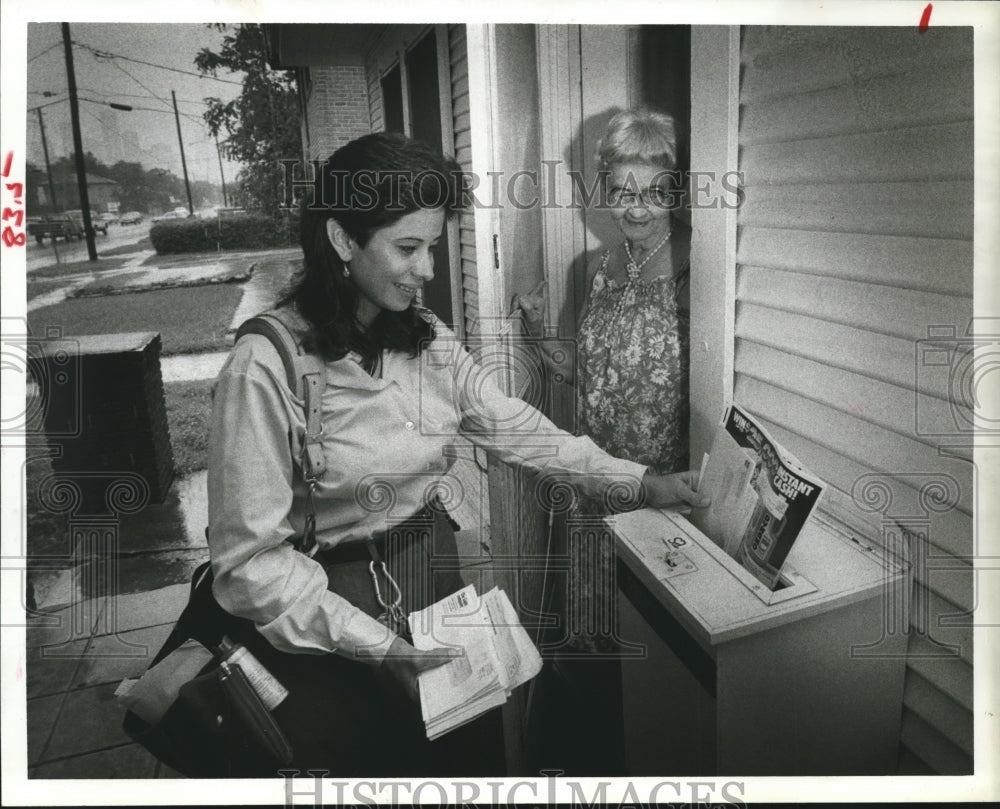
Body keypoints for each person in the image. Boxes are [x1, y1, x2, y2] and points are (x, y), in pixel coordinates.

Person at [207, 131, 706, 777]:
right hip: (331, 603)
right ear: (341, 240)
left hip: (429, 569)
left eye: (434, 246)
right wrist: (382, 649)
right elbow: (249, 565)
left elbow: (513, 424)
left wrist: (640, 482)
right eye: (407, 247)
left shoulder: (424, 337)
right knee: (376, 763)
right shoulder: (264, 366)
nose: (428, 270)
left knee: (460, 755)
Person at [515, 108, 691, 773]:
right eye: (622, 192)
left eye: (651, 192)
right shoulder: (596, 267)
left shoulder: (697, 268)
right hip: (595, 493)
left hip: (661, 497)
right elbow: (580, 373)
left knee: (658, 670)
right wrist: (538, 331)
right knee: (599, 666)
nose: (636, 209)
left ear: (673, 190)